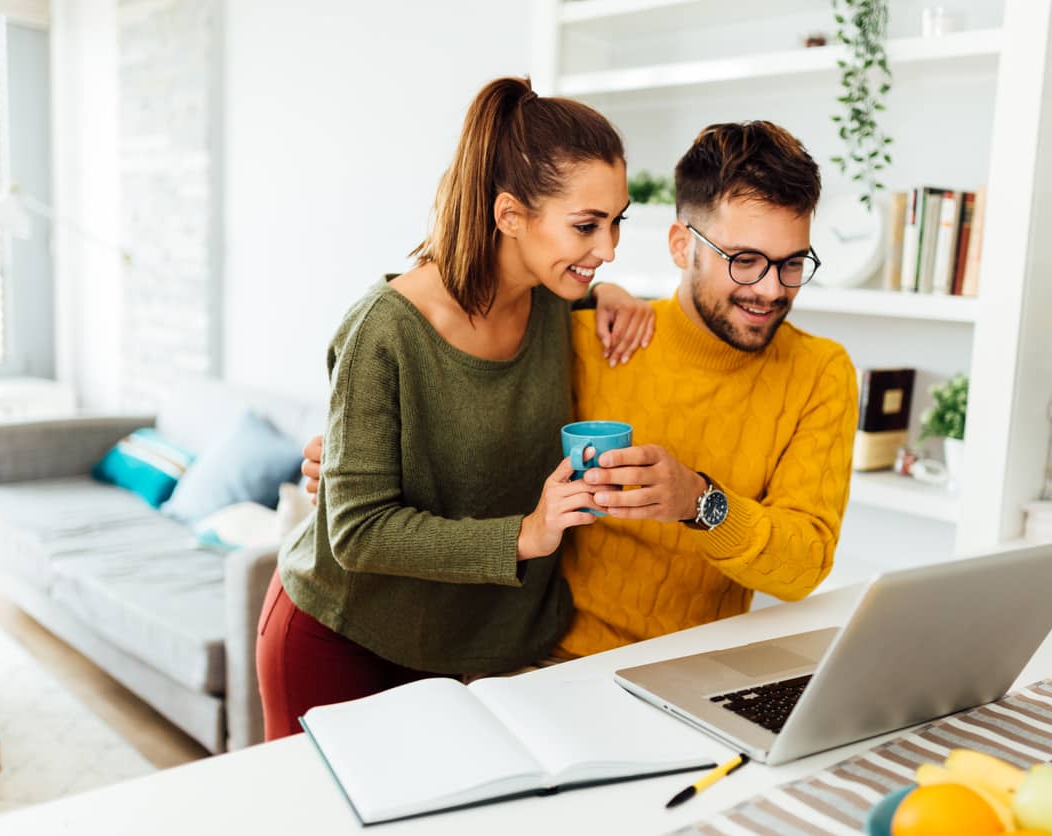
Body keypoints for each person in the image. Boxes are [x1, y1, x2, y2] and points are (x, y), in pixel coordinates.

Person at [302, 120, 858, 662]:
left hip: (699, 667)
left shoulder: (820, 373)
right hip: (545, 659)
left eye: (792, 264)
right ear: (680, 245)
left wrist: (699, 502)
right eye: (745, 261)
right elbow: (467, 449)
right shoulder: (582, 334)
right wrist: (353, 459)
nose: (770, 289)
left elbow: (804, 567)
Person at [255, 76, 654, 740]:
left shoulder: (558, 299)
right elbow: (357, 532)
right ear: (509, 215)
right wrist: (525, 535)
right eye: (587, 225)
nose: (608, 247)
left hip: (464, 655)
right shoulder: (384, 331)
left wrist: (610, 292)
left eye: (616, 223)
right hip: (341, 642)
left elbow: (594, 281)